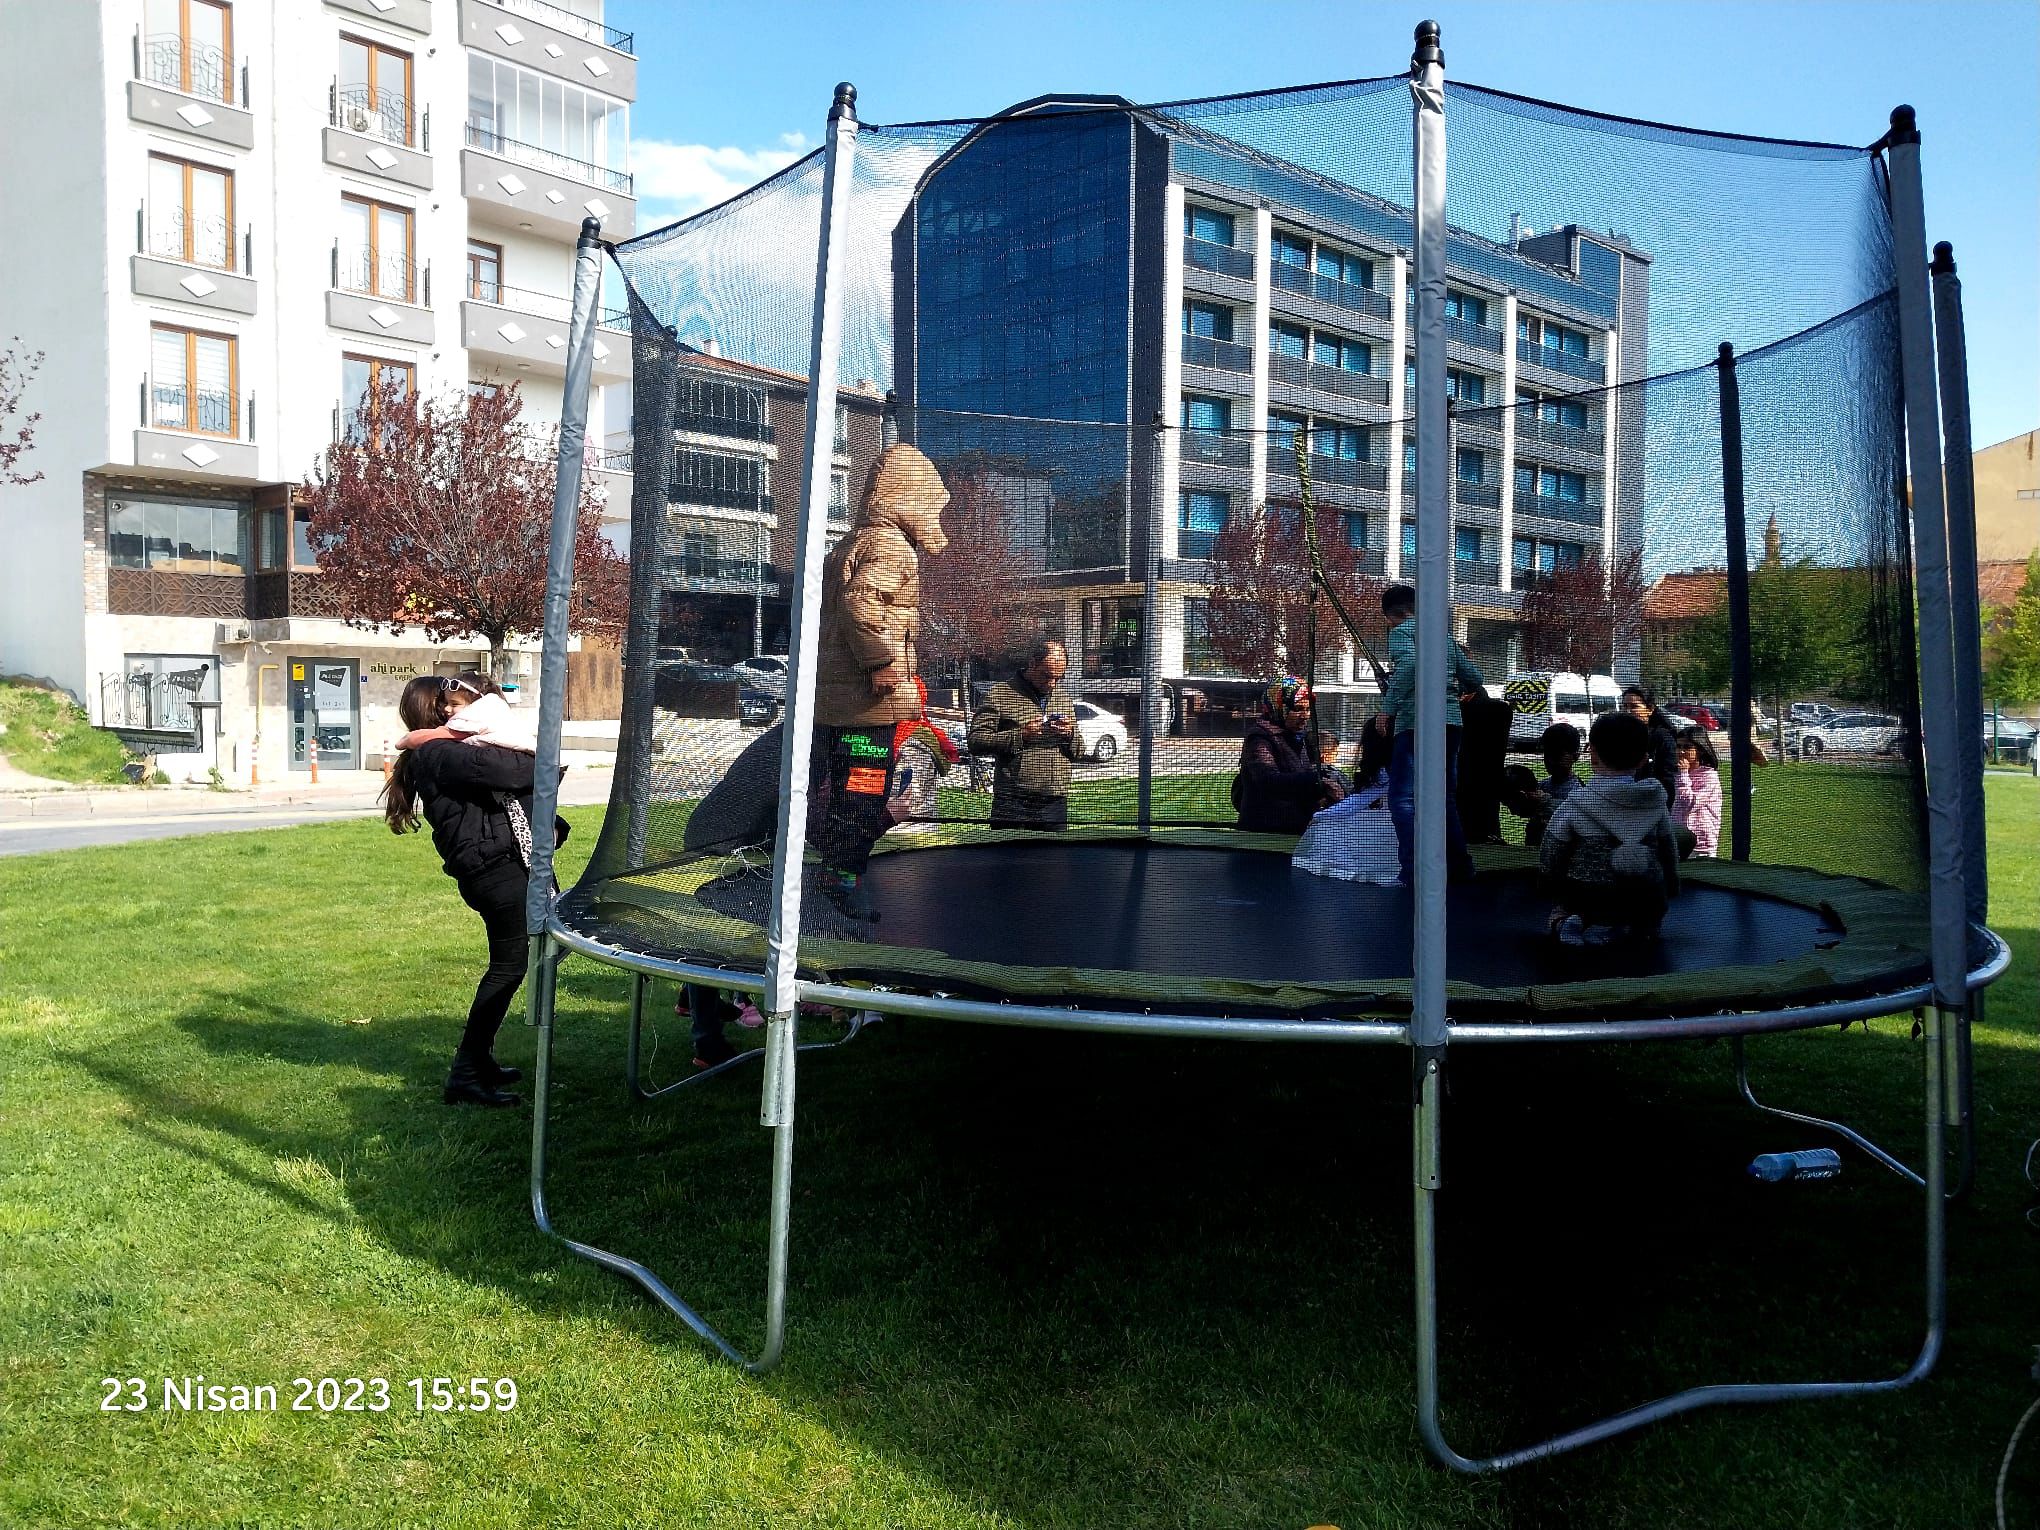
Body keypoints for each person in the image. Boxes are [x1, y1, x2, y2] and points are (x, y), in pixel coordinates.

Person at [380, 674, 567, 1107]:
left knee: (510, 964)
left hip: (494, 866)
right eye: (445, 705)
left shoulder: (443, 751)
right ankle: (465, 1073)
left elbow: (504, 792)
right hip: (494, 871)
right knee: (508, 967)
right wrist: (547, 764)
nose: (454, 710)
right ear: (434, 711)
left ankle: (478, 1061)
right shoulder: (438, 752)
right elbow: (517, 770)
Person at [809, 443, 950, 916]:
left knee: (839, 795)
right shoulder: (892, 547)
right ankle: (842, 885)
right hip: (867, 709)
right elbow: (860, 604)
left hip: (836, 705)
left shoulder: (851, 542)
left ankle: (832, 877)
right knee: (864, 795)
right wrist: (880, 662)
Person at [1538, 710, 1681, 946]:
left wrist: (1545, 885)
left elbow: (1551, 851)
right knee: (1647, 905)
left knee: (1561, 909)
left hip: (1588, 897)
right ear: (1643, 760)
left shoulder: (1576, 802)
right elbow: (1669, 849)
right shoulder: (1654, 800)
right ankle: (1635, 926)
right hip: (1642, 897)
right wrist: (1672, 886)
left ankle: (1568, 922)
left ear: (1592, 755)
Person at [1379, 583, 1484, 886]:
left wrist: (1387, 709)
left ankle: (1415, 872)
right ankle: (1460, 868)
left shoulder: (1401, 632)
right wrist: (1455, 689)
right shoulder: (1444, 636)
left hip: (1416, 722)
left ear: (1391, 616)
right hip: (1449, 722)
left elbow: (1411, 664)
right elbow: (1475, 677)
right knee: (1443, 799)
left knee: (1403, 798)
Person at [967, 638, 1080, 829]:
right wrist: (1021, 736)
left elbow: (1079, 750)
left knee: (1056, 849)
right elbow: (975, 741)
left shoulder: (1063, 698)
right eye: (1046, 676)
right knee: (1012, 849)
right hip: (1013, 802)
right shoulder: (1000, 694)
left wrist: (1070, 735)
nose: (1052, 684)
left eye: (1058, 678)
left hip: (1054, 802)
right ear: (1032, 664)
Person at [1233, 676, 1347, 834]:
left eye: (1308, 709)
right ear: (1277, 708)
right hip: (1264, 833)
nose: (1305, 716)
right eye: (1298, 709)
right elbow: (1269, 780)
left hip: (1294, 829)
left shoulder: (1298, 737)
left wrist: (1323, 790)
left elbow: (1299, 777)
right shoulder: (1260, 739)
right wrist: (1317, 782)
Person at [1499, 721, 1581, 848]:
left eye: (1557, 756)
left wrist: (1545, 802)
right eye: (1547, 754)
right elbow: (1523, 811)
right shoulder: (1541, 786)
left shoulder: (1579, 792)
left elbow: (1575, 817)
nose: (1550, 760)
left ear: (1575, 757)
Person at [1620, 684, 1681, 810]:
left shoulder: (1662, 737)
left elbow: (1668, 779)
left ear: (1650, 709)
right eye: (1625, 706)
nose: (1628, 711)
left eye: (1634, 706)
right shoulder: (1621, 737)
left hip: (1653, 807)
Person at [1673, 725, 1723, 858]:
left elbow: (1689, 804)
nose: (1681, 752)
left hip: (1700, 845)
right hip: (1679, 840)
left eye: (1687, 747)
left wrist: (1684, 774)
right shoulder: (1677, 774)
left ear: (1699, 750)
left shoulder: (1709, 777)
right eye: (1678, 746)